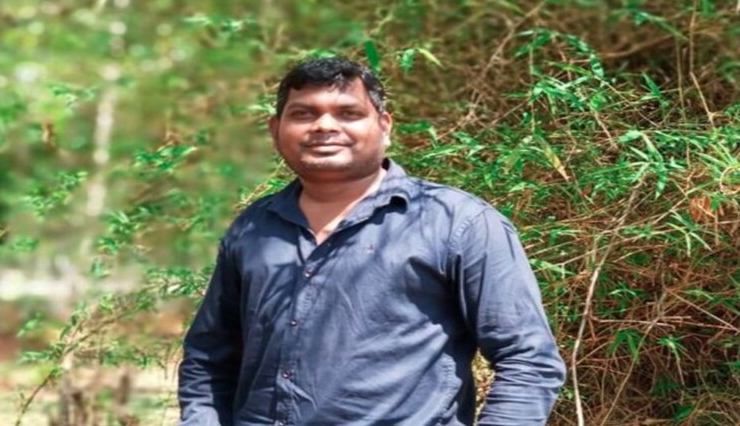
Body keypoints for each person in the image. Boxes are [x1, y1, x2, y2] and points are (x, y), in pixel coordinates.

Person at [178, 56, 566, 426]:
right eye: (304, 114)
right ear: (275, 129)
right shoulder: (253, 228)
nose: (324, 126)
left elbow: (528, 360)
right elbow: (209, 358)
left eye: (348, 113)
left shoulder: (456, 222)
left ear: (384, 125)